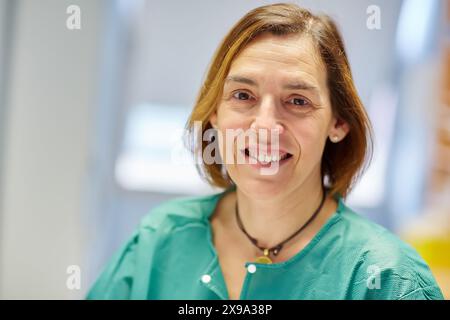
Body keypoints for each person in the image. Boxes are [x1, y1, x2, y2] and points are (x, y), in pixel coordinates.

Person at [87, 3, 444, 300]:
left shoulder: (387, 280)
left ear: (339, 123)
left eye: (298, 101)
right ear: (215, 112)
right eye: (243, 96)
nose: (265, 126)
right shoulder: (159, 240)